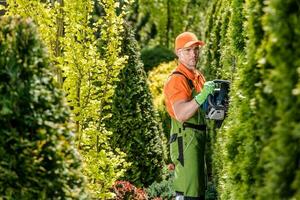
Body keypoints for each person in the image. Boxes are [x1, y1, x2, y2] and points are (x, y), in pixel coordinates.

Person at [164, 32, 215, 200]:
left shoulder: (198, 77)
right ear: (179, 53)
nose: (193, 54)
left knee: (199, 191)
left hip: (198, 138)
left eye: (196, 49)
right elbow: (181, 114)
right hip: (184, 139)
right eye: (188, 50)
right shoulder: (177, 79)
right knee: (188, 192)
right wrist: (201, 97)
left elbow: (205, 111)